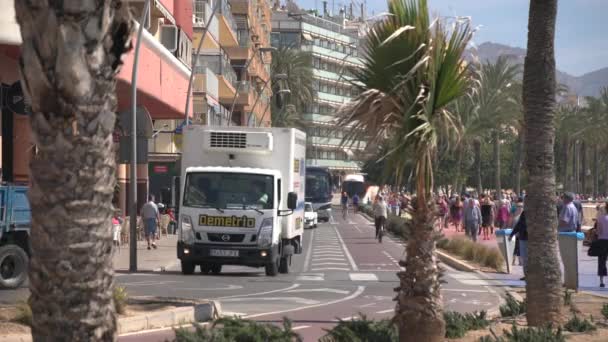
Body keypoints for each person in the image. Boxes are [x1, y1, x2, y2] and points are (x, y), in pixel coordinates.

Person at [510, 211, 528, 281]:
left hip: (529, 239)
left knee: (526, 258)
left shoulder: (533, 213)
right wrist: (512, 234)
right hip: (523, 238)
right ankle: (526, 274)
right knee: (524, 257)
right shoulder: (524, 213)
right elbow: (519, 225)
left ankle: (528, 275)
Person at [594, 201, 608, 287]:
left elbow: (599, 232)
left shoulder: (601, 218)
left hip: (602, 241)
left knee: (602, 261)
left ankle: (601, 281)